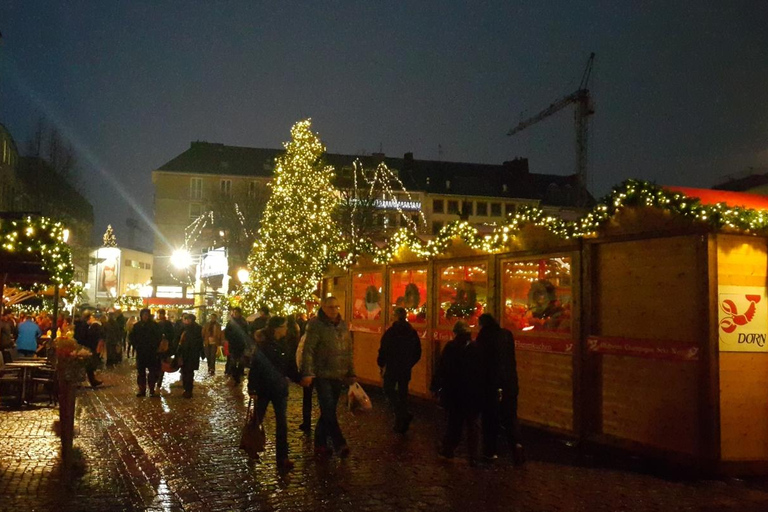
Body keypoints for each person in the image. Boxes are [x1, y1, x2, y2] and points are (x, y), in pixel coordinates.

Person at [300, 296, 355, 459]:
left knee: (327, 411)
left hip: (338, 373)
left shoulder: (343, 326)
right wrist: (308, 373)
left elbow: (348, 351)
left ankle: (320, 444)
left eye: (336, 307)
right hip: (322, 373)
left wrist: (351, 372)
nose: (334, 310)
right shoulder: (316, 325)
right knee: (329, 410)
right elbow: (308, 350)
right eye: (330, 307)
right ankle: (339, 443)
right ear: (323, 307)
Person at [431, 320, 483, 465]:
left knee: (454, 424)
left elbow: (442, 369)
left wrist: (435, 386)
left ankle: (448, 450)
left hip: (455, 393)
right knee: (473, 425)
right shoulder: (476, 348)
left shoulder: (451, 347)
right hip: (472, 393)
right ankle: (473, 455)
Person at [476, 313, 524, 464]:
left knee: (490, 419)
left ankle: (490, 452)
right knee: (510, 417)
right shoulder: (506, 335)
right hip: (510, 382)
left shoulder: (483, 337)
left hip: (491, 384)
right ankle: (517, 447)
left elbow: (482, 363)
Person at [248, 316, 294, 471]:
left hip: (279, 389)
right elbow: (255, 367)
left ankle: (283, 457)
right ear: (277, 328)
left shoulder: (284, 344)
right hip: (264, 388)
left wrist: (301, 378)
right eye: (285, 326)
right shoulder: (263, 345)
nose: (286, 329)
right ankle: (251, 447)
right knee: (257, 419)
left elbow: (288, 367)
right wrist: (252, 389)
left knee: (282, 423)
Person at [377, 306, 422, 434]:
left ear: (396, 316)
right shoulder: (411, 332)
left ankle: (401, 416)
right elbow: (418, 351)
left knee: (389, 390)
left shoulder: (391, 332)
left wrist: (381, 363)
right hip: (405, 368)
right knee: (403, 394)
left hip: (392, 367)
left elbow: (383, 349)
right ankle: (401, 420)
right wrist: (409, 363)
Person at [129, 308, 162, 397]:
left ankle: (151, 389)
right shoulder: (137, 326)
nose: (145, 317)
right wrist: (136, 346)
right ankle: (142, 389)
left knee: (152, 372)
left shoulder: (154, 326)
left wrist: (155, 346)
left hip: (151, 352)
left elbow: (158, 337)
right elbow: (132, 337)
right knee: (141, 372)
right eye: (144, 315)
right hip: (141, 352)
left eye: (147, 315)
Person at [176, 313, 205, 398]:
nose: (186, 321)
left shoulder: (197, 329)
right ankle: (186, 389)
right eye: (185, 319)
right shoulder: (183, 328)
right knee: (184, 371)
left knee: (189, 372)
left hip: (192, 353)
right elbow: (178, 339)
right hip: (184, 353)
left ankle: (188, 390)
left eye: (188, 319)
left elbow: (199, 342)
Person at [224, 307, 249, 385]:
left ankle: (238, 374)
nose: (235, 314)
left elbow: (246, 332)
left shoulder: (244, 322)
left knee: (241, 361)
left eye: (236, 312)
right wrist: (230, 339)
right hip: (233, 344)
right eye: (234, 312)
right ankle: (235, 376)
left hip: (241, 344)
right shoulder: (230, 322)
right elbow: (226, 332)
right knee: (233, 361)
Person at [83, 312, 105, 388]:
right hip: (91, 346)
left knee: (91, 364)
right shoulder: (92, 325)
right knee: (90, 364)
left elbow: (99, 337)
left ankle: (93, 380)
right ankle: (92, 380)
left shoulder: (95, 326)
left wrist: (98, 347)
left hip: (92, 346)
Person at [155, 309, 176, 389]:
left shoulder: (166, 324)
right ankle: (158, 379)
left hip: (164, 347)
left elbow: (171, 335)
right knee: (159, 364)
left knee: (161, 364)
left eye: (160, 314)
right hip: (161, 347)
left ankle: (159, 380)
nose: (159, 316)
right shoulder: (160, 323)